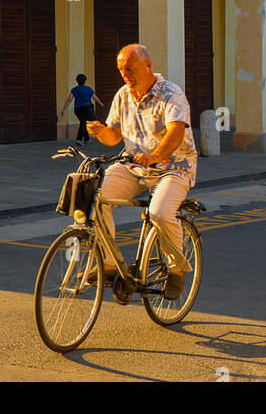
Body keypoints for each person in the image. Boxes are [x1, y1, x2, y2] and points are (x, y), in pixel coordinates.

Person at [86, 43, 198, 301]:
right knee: (96, 198)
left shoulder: (171, 93)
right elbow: (114, 136)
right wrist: (100, 131)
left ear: (148, 66)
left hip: (174, 167)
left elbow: (176, 131)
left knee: (159, 213)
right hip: (134, 166)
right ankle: (110, 264)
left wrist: (156, 155)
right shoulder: (123, 95)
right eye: (121, 69)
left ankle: (176, 269)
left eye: (130, 69)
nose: (125, 74)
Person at [58, 75, 105, 143]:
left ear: (77, 81)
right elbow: (95, 98)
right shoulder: (88, 89)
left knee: (83, 122)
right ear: (85, 81)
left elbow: (69, 99)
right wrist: (100, 103)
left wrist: (63, 109)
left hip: (77, 109)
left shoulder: (74, 89)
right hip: (87, 108)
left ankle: (87, 139)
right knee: (84, 123)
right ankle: (79, 139)